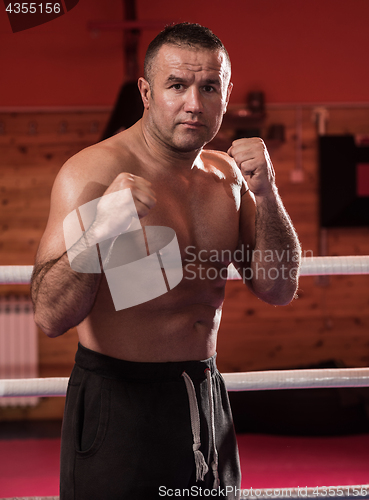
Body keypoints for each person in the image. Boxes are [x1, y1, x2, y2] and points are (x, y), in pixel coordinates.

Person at [31, 22, 301, 500]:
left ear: (226, 93)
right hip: (119, 402)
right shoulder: (92, 173)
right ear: (147, 91)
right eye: (177, 86)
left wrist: (268, 192)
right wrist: (100, 230)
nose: (194, 104)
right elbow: (51, 316)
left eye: (208, 87)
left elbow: (277, 288)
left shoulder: (228, 178)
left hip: (205, 392)